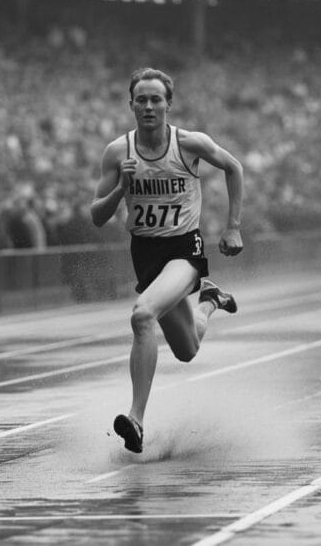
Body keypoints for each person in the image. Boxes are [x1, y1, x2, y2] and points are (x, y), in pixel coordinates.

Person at [90, 67, 244, 453]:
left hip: (182, 251)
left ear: (168, 105)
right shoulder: (117, 152)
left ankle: (136, 420)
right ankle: (209, 301)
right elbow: (96, 215)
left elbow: (234, 167)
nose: (148, 106)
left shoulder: (189, 144)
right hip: (145, 254)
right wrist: (122, 188)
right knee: (187, 349)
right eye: (141, 99)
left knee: (142, 315)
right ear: (131, 105)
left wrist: (233, 227)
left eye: (156, 99)